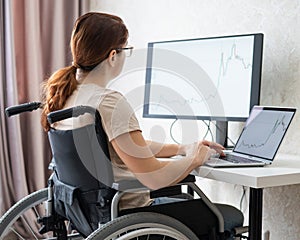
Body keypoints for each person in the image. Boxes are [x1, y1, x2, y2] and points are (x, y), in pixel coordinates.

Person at [41, 12, 243, 237]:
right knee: (226, 215)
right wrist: (195, 158)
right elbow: (153, 178)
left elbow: (126, 147)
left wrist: (181, 148)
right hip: (132, 218)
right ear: (113, 56)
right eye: (126, 50)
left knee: (184, 199)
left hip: (90, 216)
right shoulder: (108, 101)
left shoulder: (65, 96)